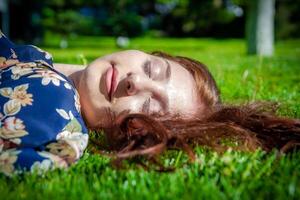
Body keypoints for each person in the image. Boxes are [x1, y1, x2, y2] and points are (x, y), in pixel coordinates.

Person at [0, 31, 299, 175]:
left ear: (132, 134)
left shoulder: (50, 109)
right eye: (152, 68)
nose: (135, 83)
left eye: (147, 108)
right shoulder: (40, 65)